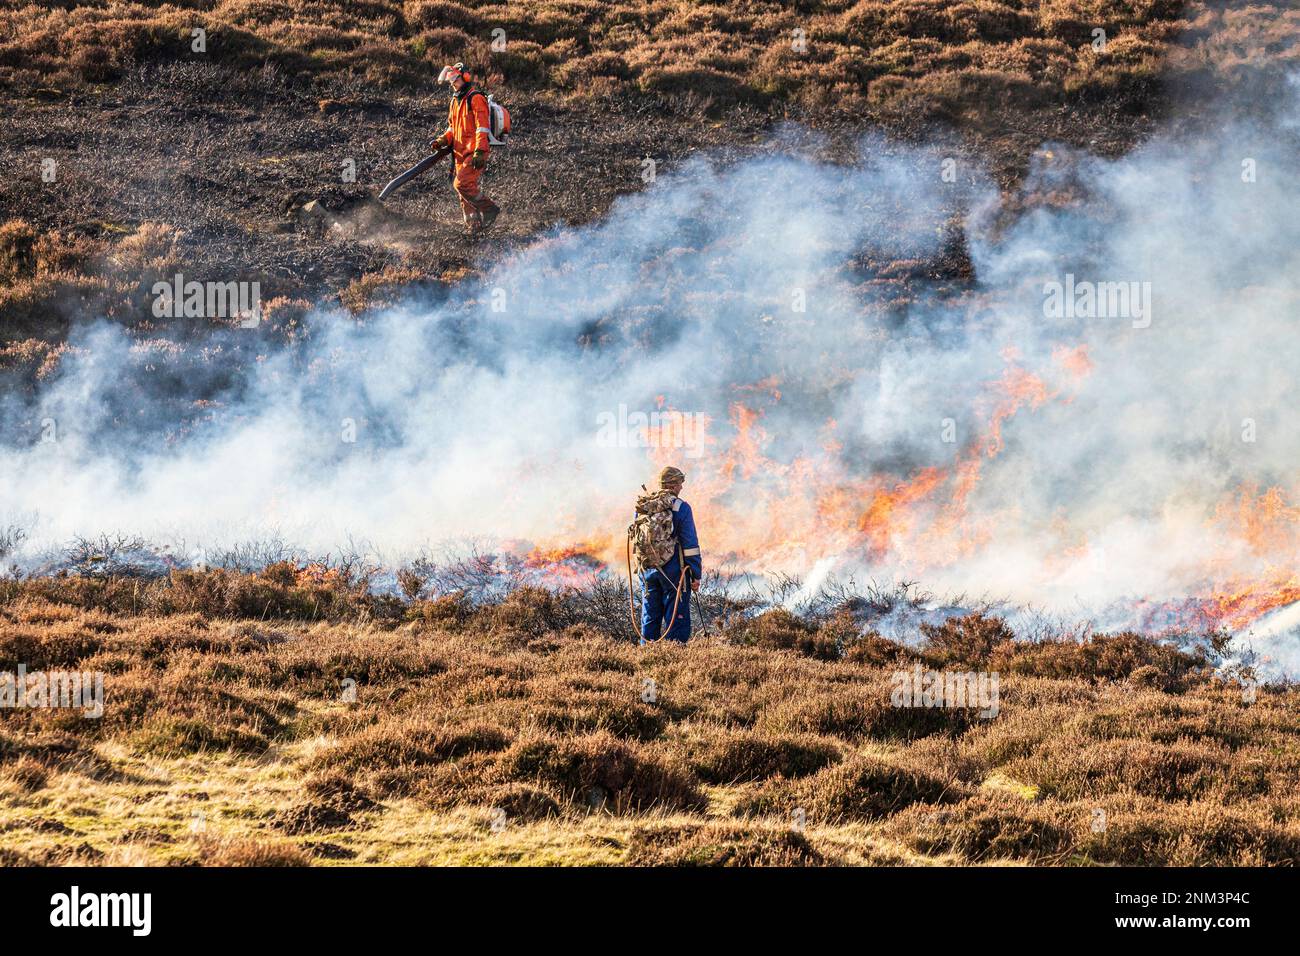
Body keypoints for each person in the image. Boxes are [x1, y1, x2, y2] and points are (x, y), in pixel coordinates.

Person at [431, 63, 501, 235]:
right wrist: (442, 140)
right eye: (451, 81)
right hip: (460, 153)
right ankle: (474, 227)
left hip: (475, 152)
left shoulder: (475, 98)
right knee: (463, 193)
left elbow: (482, 128)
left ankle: (489, 209)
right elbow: (452, 129)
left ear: (466, 77)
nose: (453, 84)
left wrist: (480, 151)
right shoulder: (455, 101)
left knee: (461, 184)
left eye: (455, 79)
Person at [639, 466, 702, 644]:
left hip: (647, 569)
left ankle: (646, 656)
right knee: (677, 617)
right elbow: (690, 546)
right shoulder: (681, 508)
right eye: (680, 483)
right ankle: (674, 657)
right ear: (674, 485)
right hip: (674, 571)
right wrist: (695, 574)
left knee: (650, 615)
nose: (682, 487)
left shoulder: (644, 506)